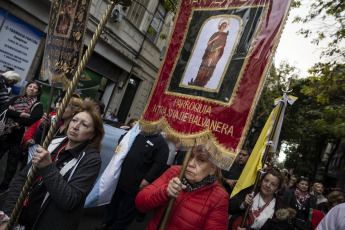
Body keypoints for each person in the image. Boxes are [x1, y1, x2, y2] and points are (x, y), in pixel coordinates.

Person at [0, 104, 104, 230]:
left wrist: (48, 167)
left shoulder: (91, 160)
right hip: (20, 217)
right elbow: (23, 178)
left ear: (92, 134)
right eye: (75, 120)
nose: (75, 126)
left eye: (84, 125)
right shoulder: (54, 142)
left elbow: (70, 200)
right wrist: (7, 216)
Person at [135, 146, 229, 229]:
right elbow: (140, 203)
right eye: (190, 156)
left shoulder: (219, 198)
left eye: (201, 160)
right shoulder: (173, 172)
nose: (191, 164)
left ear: (212, 169)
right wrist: (164, 192)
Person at [98, 129, 169, 230]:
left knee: (128, 210)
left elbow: (160, 163)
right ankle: (107, 223)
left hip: (137, 184)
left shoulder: (161, 144)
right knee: (111, 203)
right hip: (120, 178)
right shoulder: (135, 134)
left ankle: (118, 228)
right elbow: (122, 140)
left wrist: (148, 179)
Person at [0, 81, 43, 195]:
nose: (31, 89)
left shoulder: (38, 105)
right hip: (5, 134)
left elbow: (32, 120)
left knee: (12, 164)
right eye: (30, 86)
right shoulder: (17, 98)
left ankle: (4, 186)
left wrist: (13, 113)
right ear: (26, 87)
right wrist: (20, 115)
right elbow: (3, 110)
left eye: (35, 88)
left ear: (38, 92)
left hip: (19, 139)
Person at [228, 168, 294, 230]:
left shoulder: (280, 208)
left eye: (273, 184)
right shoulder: (250, 191)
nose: (268, 185)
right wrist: (243, 204)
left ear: (277, 189)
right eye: (266, 180)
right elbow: (229, 207)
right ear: (261, 181)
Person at [188, 20, 229, 87]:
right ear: (221, 25)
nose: (223, 27)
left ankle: (202, 82)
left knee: (209, 67)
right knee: (203, 66)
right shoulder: (215, 34)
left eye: (225, 26)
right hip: (209, 51)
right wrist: (214, 39)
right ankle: (196, 81)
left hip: (215, 53)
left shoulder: (224, 35)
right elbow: (208, 43)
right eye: (223, 25)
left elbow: (222, 45)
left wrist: (215, 49)